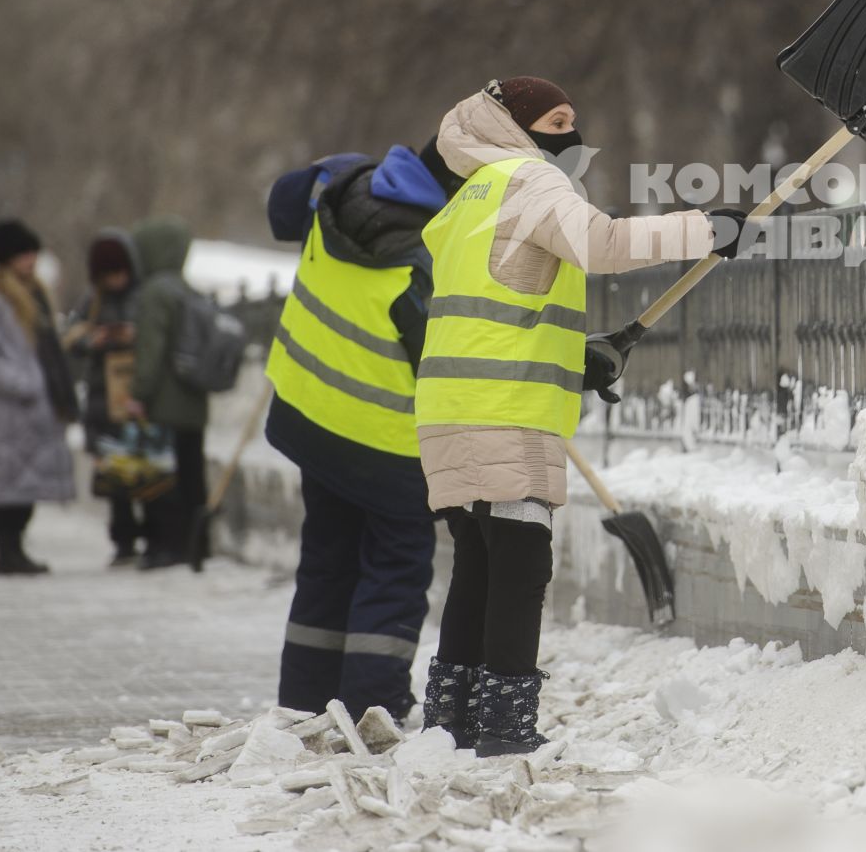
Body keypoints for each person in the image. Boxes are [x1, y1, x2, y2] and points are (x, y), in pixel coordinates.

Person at [415, 76, 747, 754]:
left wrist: (575, 356)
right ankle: (505, 726)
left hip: (453, 404)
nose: (571, 134)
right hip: (504, 407)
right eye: (556, 120)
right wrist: (706, 228)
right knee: (520, 559)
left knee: (480, 560)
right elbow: (602, 244)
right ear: (518, 126)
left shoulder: (469, 195)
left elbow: (505, 302)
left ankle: (453, 720)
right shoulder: (530, 180)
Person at [263, 140, 462, 722]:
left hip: (312, 424)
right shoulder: (424, 261)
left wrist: (329, 167)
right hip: (387, 451)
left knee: (326, 562)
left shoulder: (342, 191)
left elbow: (280, 210)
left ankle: (304, 704)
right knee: (394, 572)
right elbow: (447, 366)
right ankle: (374, 709)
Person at [0, 219, 79, 575]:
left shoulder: (36, 295)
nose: (30, 261)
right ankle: (7, 552)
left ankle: (15, 552)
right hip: (7, 413)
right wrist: (24, 384)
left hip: (30, 414)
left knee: (22, 490)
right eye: (23, 255)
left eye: (32, 253)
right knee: (5, 491)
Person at [127, 216, 210, 570]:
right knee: (192, 476)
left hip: (163, 404)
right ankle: (196, 544)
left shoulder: (155, 292)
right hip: (193, 402)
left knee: (162, 479)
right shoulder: (187, 289)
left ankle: (166, 546)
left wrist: (138, 393)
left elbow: (151, 350)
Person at [63, 230, 146, 564]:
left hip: (133, 393)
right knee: (114, 476)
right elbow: (72, 336)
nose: (114, 280)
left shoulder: (141, 296)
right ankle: (123, 540)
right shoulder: (92, 299)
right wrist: (93, 340)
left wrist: (131, 335)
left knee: (147, 471)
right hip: (102, 397)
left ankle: (151, 535)